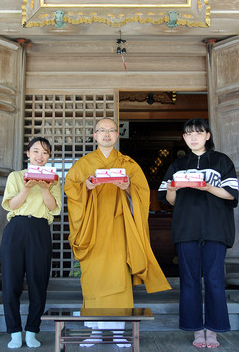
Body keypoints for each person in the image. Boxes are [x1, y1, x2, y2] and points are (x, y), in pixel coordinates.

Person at [64, 118, 171, 348]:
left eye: (112, 130)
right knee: (93, 279)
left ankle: (120, 331)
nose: (107, 134)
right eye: (102, 130)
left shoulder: (127, 163)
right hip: (92, 230)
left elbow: (142, 193)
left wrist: (128, 188)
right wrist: (87, 187)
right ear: (94, 135)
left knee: (118, 277)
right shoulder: (83, 164)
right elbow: (71, 191)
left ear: (116, 135)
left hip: (119, 229)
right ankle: (93, 331)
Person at [158, 118, 239, 349]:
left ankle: (213, 331)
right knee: (190, 281)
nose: (193, 137)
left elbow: (231, 194)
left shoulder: (221, 161)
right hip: (186, 229)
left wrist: (207, 187)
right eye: (188, 134)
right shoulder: (177, 165)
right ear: (184, 138)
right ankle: (195, 329)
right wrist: (173, 188)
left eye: (198, 133)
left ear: (207, 136)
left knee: (214, 280)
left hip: (215, 229)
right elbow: (170, 200)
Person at [0, 137, 62, 349]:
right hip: (16, 229)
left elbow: (54, 208)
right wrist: (27, 187)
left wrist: (45, 187)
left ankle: (32, 330)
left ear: (49, 156)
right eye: (35, 151)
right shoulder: (16, 176)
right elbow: (11, 205)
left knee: (38, 282)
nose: (39, 156)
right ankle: (14, 331)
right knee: (11, 283)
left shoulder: (54, 179)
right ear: (28, 153)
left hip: (40, 229)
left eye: (45, 153)